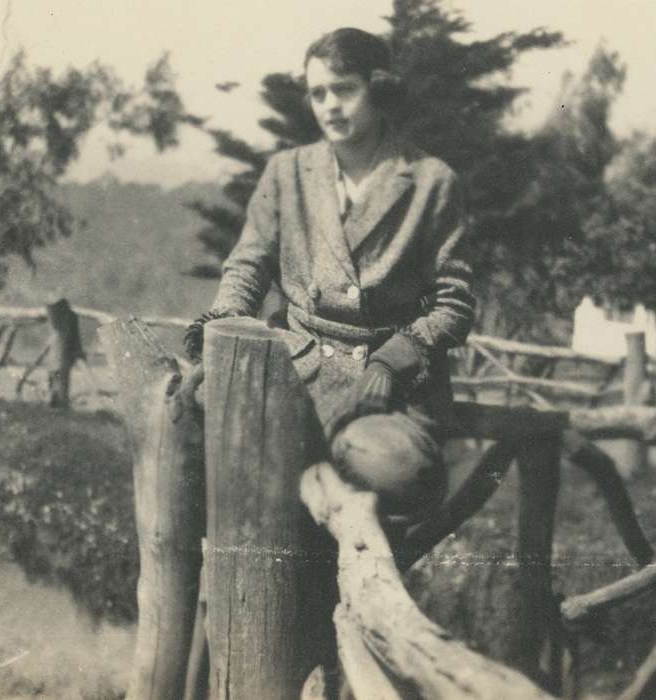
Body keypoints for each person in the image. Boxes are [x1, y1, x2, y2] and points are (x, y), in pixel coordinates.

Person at [184, 27, 475, 527]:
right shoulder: (288, 172)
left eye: (344, 89)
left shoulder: (431, 181)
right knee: (192, 434)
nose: (330, 106)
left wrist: (392, 361)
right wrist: (225, 330)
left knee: (400, 472)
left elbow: (456, 305)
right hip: (297, 372)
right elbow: (248, 264)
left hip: (389, 392)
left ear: (379, 89)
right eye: (318, 93)